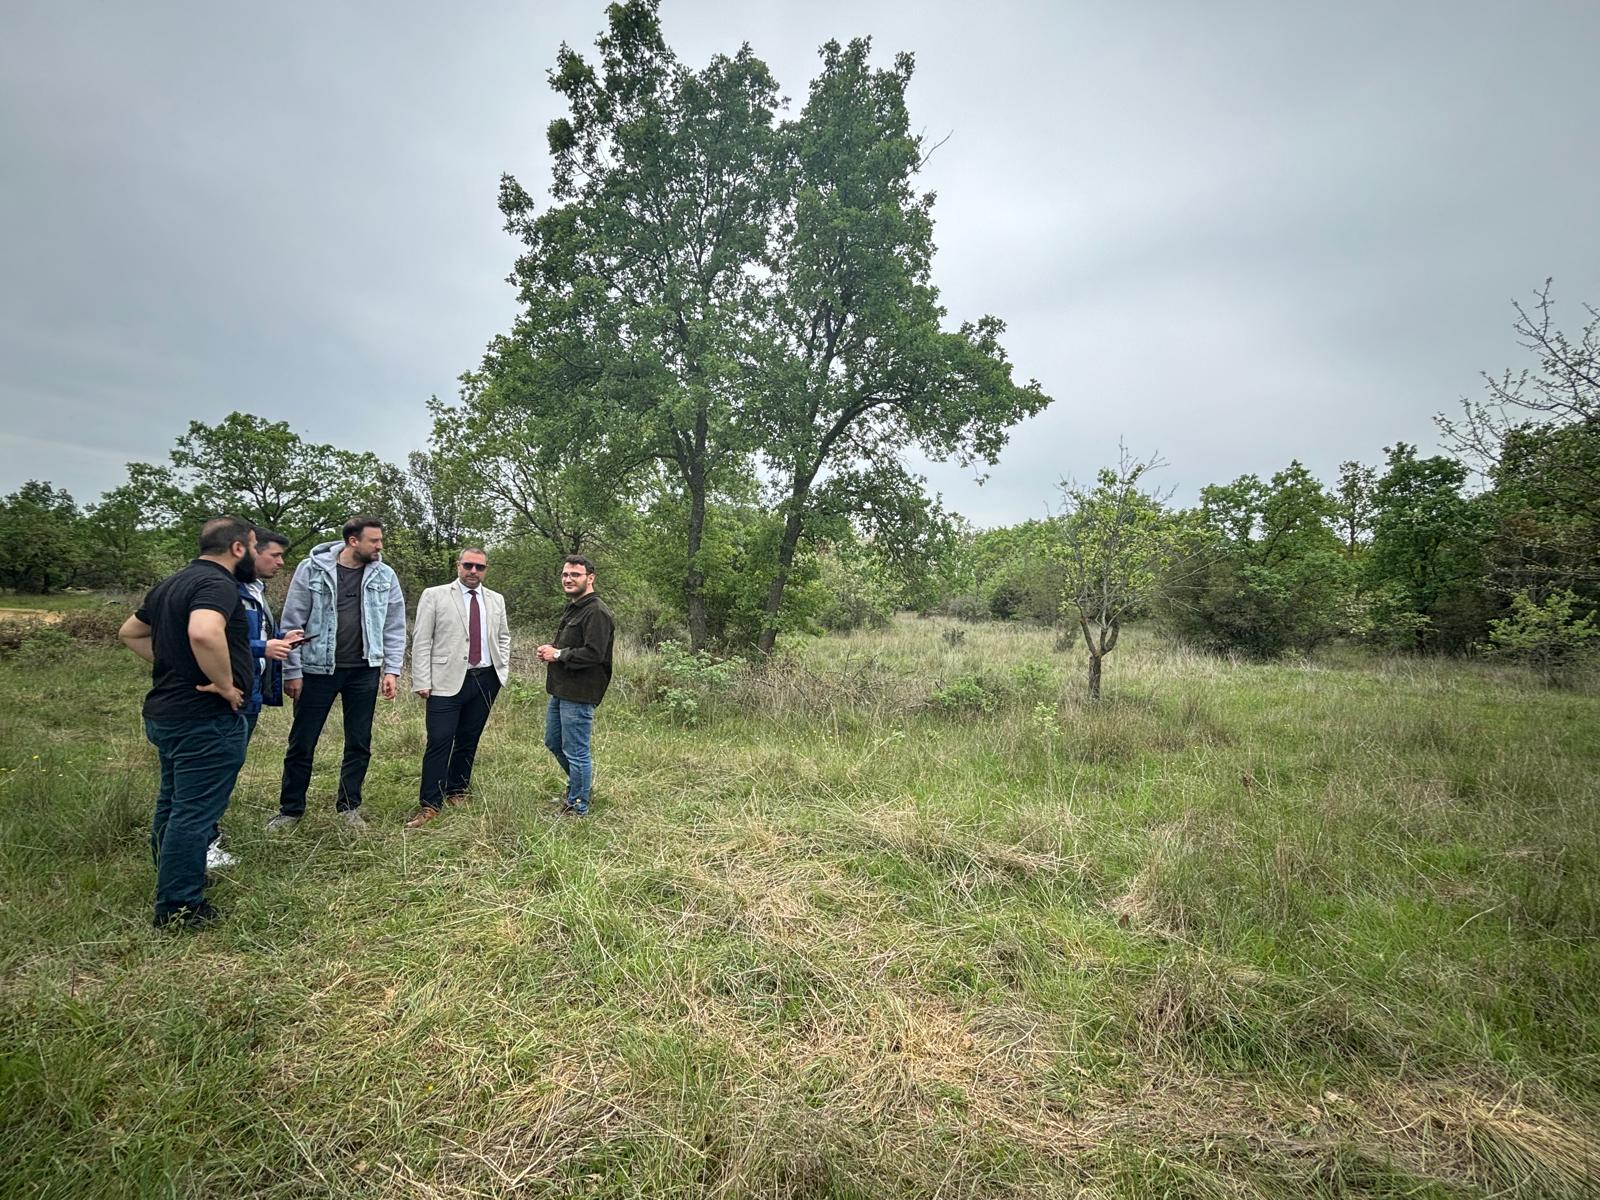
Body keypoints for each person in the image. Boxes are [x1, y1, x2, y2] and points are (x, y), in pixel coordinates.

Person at [118, 516, 257, 928]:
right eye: (252, 545)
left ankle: (170, 879)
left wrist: (175, 666)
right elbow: (203, 632)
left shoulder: (171, 583)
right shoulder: (218, 584)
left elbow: (130, 632)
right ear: (237, 549)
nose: (253, 552)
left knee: (172, 802)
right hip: (204, 720)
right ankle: (179, 906)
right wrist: (225, 684)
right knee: (194, 813)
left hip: (167, 713)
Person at [267, 516, 405, 831]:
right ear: (352, 541)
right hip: (316, 669)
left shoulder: (385, 575)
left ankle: (349, 807)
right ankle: (290, 810)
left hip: (364, 670)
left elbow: (394, 625)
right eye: (374, 540)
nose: (380, 546)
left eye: (381, 540)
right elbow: (292, 620)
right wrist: (292, 670)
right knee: (303, 740)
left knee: (359, 741)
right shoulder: (312, 569)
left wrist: (392, 669)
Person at [206, 527, 302, 868]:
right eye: (274, 555)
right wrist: (264, 646)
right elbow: (214, 641)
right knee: (215, 771)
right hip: (229, 693)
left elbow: (248, 635)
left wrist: (279, 638)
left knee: (229, 766)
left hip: (251, 692)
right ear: (248, 551)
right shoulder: (223, 590)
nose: (281, 562)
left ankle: (208, 837)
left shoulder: (253, 590)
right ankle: (204, 844)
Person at [405, 548, 512, 828]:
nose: (473, 571)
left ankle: (457, 789)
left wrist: (501, 671)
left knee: (469, 738)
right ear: (458, 566)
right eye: (468, 565)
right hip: (445, 680)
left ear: (486, 569)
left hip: (485, 679)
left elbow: (503, 637)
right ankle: (430, 803)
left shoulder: (496, 599)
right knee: (440, 740)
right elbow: (422, 640)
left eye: (480, 567)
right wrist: (422, 680)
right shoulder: (435, 595)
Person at [536, 555, 615, 816]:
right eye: (565, 575)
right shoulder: (575, 607)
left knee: (576, 750)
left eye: (575, 575)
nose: (568, 579)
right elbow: (574, 646)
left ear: (590, 578)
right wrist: (552, 650)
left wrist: (558, 655)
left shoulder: (597, 612)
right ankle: (579, 788)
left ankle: (578, 805)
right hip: (561, 688)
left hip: (580, 693)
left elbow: (594, 653)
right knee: (553, 742)